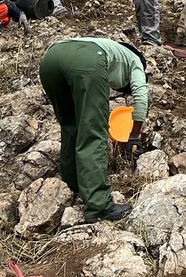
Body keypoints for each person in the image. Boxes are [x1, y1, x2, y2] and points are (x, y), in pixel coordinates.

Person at [38, 37, 146, 222]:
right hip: (87, 61)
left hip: (50, 59)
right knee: (93, 132)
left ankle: (72, 184)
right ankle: (99, 206)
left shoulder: (108, 46)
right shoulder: (136, 61)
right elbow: (142, 100)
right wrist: (133, 137)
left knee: (71, 126)